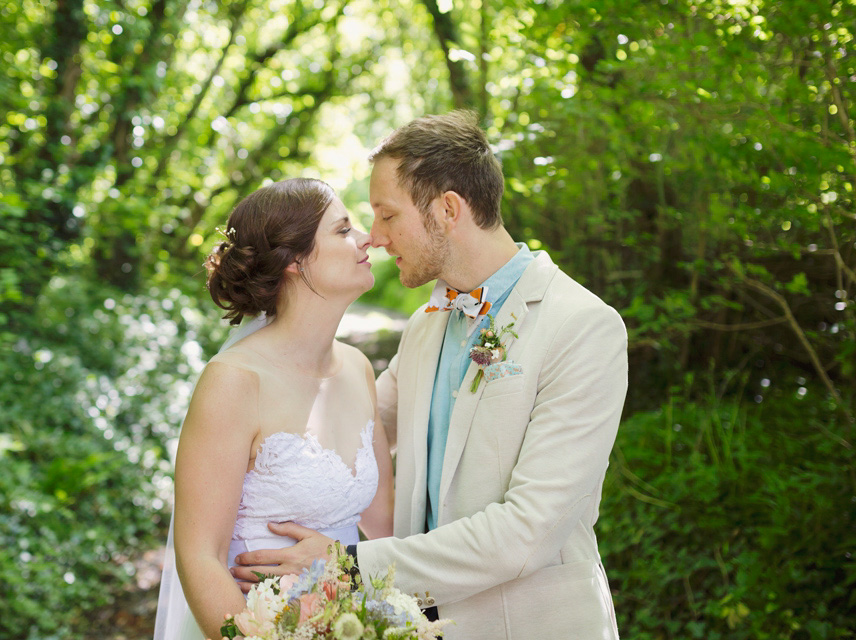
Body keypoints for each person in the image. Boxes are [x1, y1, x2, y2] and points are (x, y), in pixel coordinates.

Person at [231, 112, 628, 639]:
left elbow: (527, 533)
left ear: (447, 209)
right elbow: (349, 435)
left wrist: (348, 566)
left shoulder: (582, 327)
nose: (374, 237)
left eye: (387, 215)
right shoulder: (426, 326)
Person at [153, 178, 395, 640]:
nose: (368, 237)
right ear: (293, 261)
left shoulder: (358, 368)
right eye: (343, 230)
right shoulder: (234, 381)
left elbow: (385, 528)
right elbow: (199, 554)